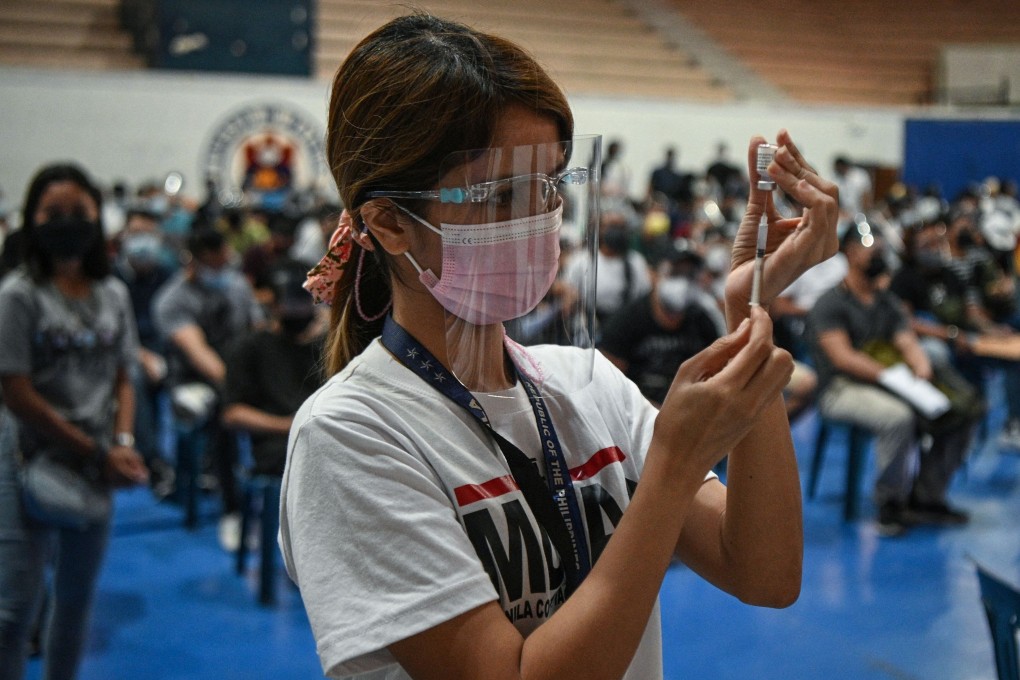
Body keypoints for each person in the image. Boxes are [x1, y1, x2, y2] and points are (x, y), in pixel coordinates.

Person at [280, 13, 838, 680]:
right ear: (392, 223)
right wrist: (670, 468)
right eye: (503, 194)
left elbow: (764, 572)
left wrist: (751, 307)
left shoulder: (585, 383)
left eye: (549, 187)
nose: (540, 217)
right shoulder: (351, 434)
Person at [0, 163, 148, 679]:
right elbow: (15, 390)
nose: (66, 223)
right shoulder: (18, 295)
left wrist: (122, 441)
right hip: (25, 457)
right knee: (14, 612)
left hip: (95, 461)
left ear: (97, 219)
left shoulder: (114, 295)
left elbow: (125, 375)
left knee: (75, 607)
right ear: (32, 220)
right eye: (52, 213)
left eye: (79, 213)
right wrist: (95, 449)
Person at [809, 227, 981, 537]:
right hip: (841, 388)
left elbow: (906, 339)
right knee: (898, 416)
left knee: (962, 410)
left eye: (879, 248)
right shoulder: (830, 303)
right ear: (849, 251)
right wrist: (888, 377)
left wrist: (919, 363)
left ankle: (928, 496)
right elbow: (843, 357)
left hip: (890, 379)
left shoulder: (885, 300)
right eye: (868, 247)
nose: (877, 254)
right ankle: (890, 501)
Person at [152, 227, 263, 543]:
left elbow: (258, 332)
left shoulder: (238, 285)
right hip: (194, 381)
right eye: (213, 266)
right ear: (194, 264)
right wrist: (239, 387)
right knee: (224, 415)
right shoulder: (172, 300)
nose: (220, 271)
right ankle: (232, 509)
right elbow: (199, 354)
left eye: (224, 263)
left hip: (240, 373)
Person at [222, 263, 323, 478]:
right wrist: (288, 425)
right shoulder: (250, 347)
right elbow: (233, 413)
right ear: (274, 303)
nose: (299, 309)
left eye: (305, 300)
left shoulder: (328, 345)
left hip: (324, 435)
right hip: (278, 443)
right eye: (291, 301)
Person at [598, 247, 721, 406]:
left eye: (689, 275)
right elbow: (610, 389)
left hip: (689, 413)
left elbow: (716, 375)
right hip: (639, 418)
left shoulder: (701, 321)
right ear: (653, 275)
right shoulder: (625, 322)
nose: (683, 283)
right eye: (675, 273)